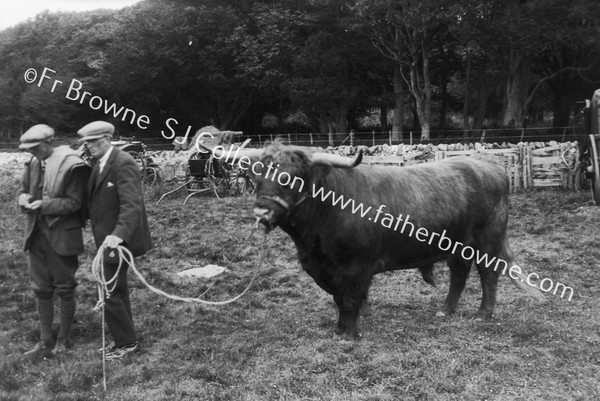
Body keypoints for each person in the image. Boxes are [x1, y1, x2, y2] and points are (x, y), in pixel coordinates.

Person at [78, 121, 152, 360]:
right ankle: (123, 338)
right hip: (105, 239)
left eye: (93, 141)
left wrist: (119, 234)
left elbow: (132, 205)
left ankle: (127, 343)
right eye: (86, 143)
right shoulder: (99, 163)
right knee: (115, 288)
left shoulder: (123, 163)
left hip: (118, 240)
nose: (89, 146)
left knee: (109, 288)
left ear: (107, 139)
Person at [18, 124, 90, 356]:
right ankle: (45, 339)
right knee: (40, 289)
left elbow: (75, 203)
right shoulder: (33, 163)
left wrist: (44, 205)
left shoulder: (71, 165)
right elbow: (23, 189)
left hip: (62, 235)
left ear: (48, 143)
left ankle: (64, 338)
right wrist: (23, 198)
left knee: (65, 288)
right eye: (29, 149)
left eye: (35, 147)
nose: (32, 152)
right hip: (36, 235)